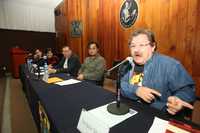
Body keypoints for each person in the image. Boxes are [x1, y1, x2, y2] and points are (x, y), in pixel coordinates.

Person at [120, 28, 196, 115]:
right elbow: (122, 85)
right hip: (132, 110)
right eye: (133, 46)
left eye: (141, 45)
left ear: (153, 46)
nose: (136, 50)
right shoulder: (130, 64)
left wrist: (178, 99)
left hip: (160, 114)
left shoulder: (171, 65)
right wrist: (136, 90)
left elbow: (188, 91)